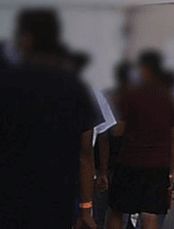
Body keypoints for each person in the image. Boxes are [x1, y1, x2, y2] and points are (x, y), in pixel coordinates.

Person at [0, 8, 100, 229]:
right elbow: (85, 151)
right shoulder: (75, 88)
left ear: (26, 38)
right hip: (57, 204)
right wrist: (86, 208)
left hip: (9, 202)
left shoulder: (3, 85)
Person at [107, 50, 174, 229]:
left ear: (144, 69)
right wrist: (171, 169)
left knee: (117, 210)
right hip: (158, 165)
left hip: (130, 161)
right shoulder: (169, 97)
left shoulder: (131, 94)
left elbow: (120, 129)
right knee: (150, 214)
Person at [71, 52, 119, 229]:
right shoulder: (92, 93)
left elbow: (101, 137)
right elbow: (101, 139)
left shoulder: (92, 93)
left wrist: (102, 172)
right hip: (79, 172)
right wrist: (103, 173)